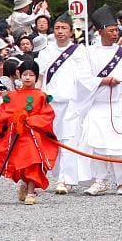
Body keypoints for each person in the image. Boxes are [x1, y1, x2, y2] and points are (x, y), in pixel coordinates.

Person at [79, 5, 122, 196]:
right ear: (100, 32)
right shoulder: (88, 52)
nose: (115, 34)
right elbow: (82, 78)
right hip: (96, 105)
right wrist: (104, 80)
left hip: (117, 105)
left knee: (119, 144)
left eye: (116, 30)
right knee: (95, 143)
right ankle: (100, 180)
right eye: (111, 30)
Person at [36, 12, 101, 195]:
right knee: (51, 140)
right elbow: (40, 77)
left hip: (72, 102)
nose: (60, 32)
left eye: (64, 28)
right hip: (50, 102)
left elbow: (85, 78)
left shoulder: (79, 51)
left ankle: (65, 179)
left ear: (71, 32)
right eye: (57, 28)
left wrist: (100, 82)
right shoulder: (45, 52)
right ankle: (50, 176)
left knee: (69, 140)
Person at [0, 59, 58, 205]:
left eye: (31, 75)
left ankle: (31, 191)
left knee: (33, 162)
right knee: (21, 164)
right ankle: (25, 184)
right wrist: (16, 118)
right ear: (19, 76)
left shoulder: (41, 96)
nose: (27, 77)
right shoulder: (13, 95)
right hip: (17, 135)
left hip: (33, 137)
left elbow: (47, 115)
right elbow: (4, 113)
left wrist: (31, 121)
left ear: (36, 77)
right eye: (25, 74)